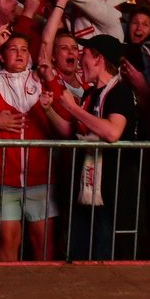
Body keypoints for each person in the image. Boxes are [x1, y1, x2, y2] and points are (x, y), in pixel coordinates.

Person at [0, 25, 58, 261]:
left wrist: (51, 79)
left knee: (43, 245)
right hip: (4, 178)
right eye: (13, 49)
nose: (19, 54)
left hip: (40, 178)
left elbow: (63, 109)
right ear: (2, 56)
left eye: (24, 50)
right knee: (8, 243)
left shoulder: (40, 79)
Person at [42, 34, 138, 260]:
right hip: (87, 186)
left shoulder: (120, 92)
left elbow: (112, 132)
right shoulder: (90, 93)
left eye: (83, 54)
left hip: (111, 188)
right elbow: (71, 131)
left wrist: (73, 108)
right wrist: (48, 110)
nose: (77, 58)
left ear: (98, 59)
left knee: (101, 254)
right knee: (78, 251)